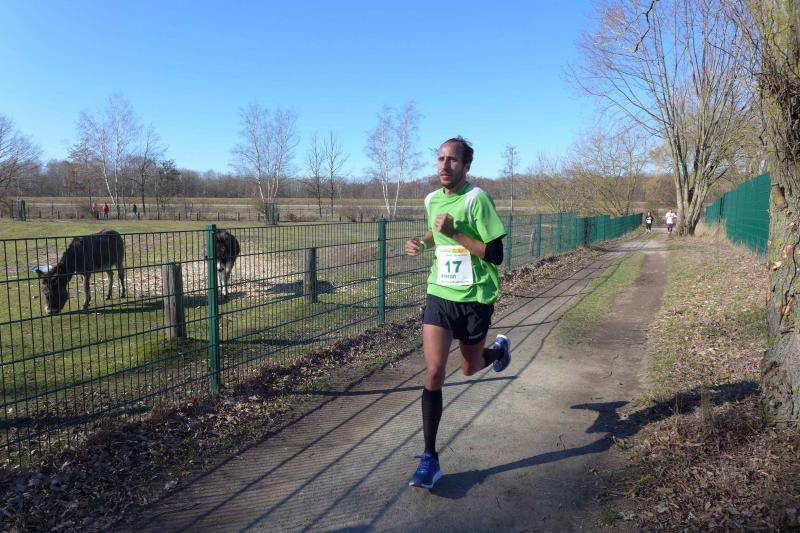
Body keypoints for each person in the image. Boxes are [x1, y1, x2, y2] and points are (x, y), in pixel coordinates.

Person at [404, 137, 511, 489]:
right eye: (440, 159)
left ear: (466, 166)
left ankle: (497, 352)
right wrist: (422, 242)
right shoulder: (431, 200)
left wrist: (457, 233)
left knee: (468, 368)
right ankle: (429, 459)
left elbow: (495, 255)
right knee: (434, 372)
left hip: (475, 297)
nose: (444, 166)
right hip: (440, 293)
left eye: (452, 160)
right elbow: (436, 233)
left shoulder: (477, 199)